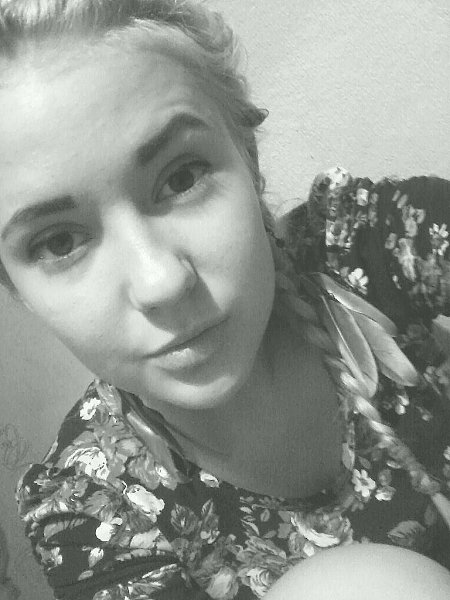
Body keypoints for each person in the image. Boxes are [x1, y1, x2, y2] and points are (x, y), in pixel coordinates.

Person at [0, 0, 449, 598]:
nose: (161, 281)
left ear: (249, 157)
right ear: (18, 290)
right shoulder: (92, 511)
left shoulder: (364, 247)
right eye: (59, 243)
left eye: (181, 178)